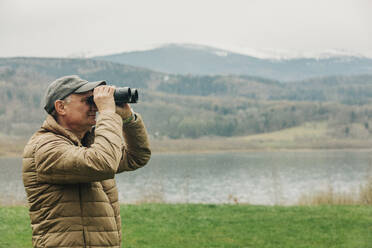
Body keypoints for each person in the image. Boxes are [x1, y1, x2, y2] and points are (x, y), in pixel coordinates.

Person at [22, 75, 151, 248]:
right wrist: (107, 113)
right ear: (60, 107)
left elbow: (137, 156)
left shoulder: (89, 143)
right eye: (88, 100)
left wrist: (128, 119)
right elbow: (103, 163)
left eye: (95, 101)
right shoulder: (45, 147)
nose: (95, 107)